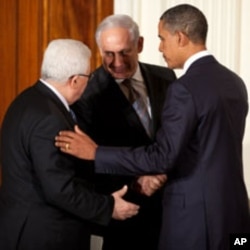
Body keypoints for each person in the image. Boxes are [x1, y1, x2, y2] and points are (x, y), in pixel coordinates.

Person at [55, 4, 250, 250]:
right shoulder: (235, 82)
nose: (160, 47)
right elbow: (199, 144)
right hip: (234, 218)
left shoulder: (180, 86)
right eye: (109, 53)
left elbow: (165, 155)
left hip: (193, 221)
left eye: (162, 39)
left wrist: (96, 153)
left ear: (180, 37)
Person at [0, 39, 139, 250]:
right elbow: (60, 189)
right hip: (46, 236)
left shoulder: (25, 101)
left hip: (22, 230)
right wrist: (108, 207)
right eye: (88, 76)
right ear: (74, 80)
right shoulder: (50, 118)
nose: (89, 82)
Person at [68, 14, 176, 250]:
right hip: (127, 217)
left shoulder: (166, 78)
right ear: (99, 50)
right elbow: (86, 159)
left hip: (172, 211)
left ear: (139, 45)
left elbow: (177, 135)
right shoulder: (87, 94)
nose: (117, 62)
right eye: (109, 54)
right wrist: (137, 181)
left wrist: (164, 172)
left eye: (125, 52)